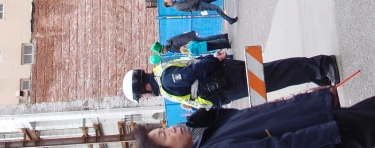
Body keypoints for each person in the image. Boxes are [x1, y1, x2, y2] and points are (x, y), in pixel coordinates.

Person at [132, 64, 375, 148]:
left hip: (321, 121)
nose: (170, 130)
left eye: (161, 129)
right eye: (164, 137)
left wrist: (314, 102)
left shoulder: (207, 133)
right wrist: (329, 130)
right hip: (328, 136)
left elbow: (265, 117)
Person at [122, 51, 340, 109]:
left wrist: (215, 62)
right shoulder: (165, 80)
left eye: (143, 93)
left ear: (144, 86)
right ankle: (315, 71)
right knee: (273, 76)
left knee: (274, 75)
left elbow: (193, 72)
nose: (146, 96)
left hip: (226, 79)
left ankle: (321, 65)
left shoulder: (167, 82)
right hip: (224, 82)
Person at [163, 0, 237, 24]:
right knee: (216, 8)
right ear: (168, 4)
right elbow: (189, 5)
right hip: (199, 5)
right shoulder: (177, 6)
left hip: (199, 2)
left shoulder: (176, 3)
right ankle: (230, 20)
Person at [163, 31, 231, 54]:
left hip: (192, 44)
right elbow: (180, 36)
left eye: (163, 52)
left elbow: (183, 50)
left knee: (209, 43)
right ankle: (223, 37)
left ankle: (224, 41)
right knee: (208, 39)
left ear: (163, 49)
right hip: (191, 39)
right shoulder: (170, 41)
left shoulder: (172, 48)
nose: (164, 53)